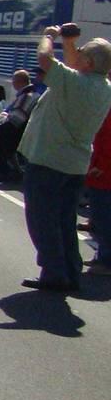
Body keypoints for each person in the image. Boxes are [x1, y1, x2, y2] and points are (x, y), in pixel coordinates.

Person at [17, 25, 111, 292]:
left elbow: (45, 59)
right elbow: (74, 66)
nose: (77, 55)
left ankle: (54, 273)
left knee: (43, 220)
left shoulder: (75, 82)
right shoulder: (103, 86)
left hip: (49, 159)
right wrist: (70, 44)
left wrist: (49, 36)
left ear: (88, 62)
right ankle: (70, 271)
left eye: (82, 53)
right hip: (75, 164)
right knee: (64, 220)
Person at [84, 106, 111, 277]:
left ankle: (107, 261)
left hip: (104, 174)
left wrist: (101, 166)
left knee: (104, 219)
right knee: (100, 218)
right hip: (101, 171)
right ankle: (102, 255)